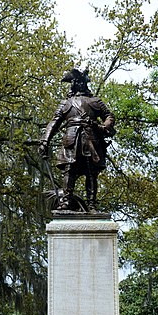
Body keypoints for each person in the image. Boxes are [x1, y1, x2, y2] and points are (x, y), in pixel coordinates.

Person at [39, 68, 115, 212]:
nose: (78, 84)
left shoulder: (96, 101)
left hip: (91, 138)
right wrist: (45, 140)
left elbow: (109, 116)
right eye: (75, 82)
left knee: (91, 173)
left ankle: (92, 205)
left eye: (80, 81)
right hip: (72, 139)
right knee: (70, 171)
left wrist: (103, 127)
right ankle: (66, 202)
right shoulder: (66, 103)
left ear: (84, 83)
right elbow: (54, 123)